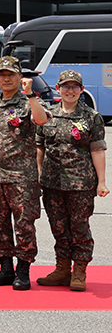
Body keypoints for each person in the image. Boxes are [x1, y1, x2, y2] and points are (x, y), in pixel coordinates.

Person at [0, 56, 48, 290]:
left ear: (19, 77)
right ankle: (6, 269)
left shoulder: (28, 103)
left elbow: (42, 121)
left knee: (24, 224)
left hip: (21, 177)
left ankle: (23, 271)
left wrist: (31, 95)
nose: (6, 79)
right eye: (2, 75)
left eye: (11, 75)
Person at [35, 70, 108, 292]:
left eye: (75, 86)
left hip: (80, 183)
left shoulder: (91, 117)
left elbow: (97, 150)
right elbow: (40, 146)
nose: (70, 90)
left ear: (81, 90)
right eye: (66, 86)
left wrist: (102, 181)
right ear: (58, 89)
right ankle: (62, 269)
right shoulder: (47, 115)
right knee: (58, 227)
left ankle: (79, 271)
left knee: (79, 227)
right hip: (52, 183)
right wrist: (39, 174)